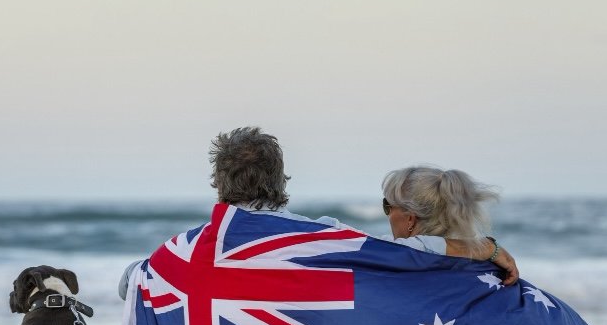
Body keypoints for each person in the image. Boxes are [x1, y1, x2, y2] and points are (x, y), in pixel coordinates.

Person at [119, 127, 517, 297]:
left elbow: (129, 284)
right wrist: (488, 250)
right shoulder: (320, 238)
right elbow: (410, 251)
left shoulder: (187, 250)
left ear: (218, 183)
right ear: (281, 181)